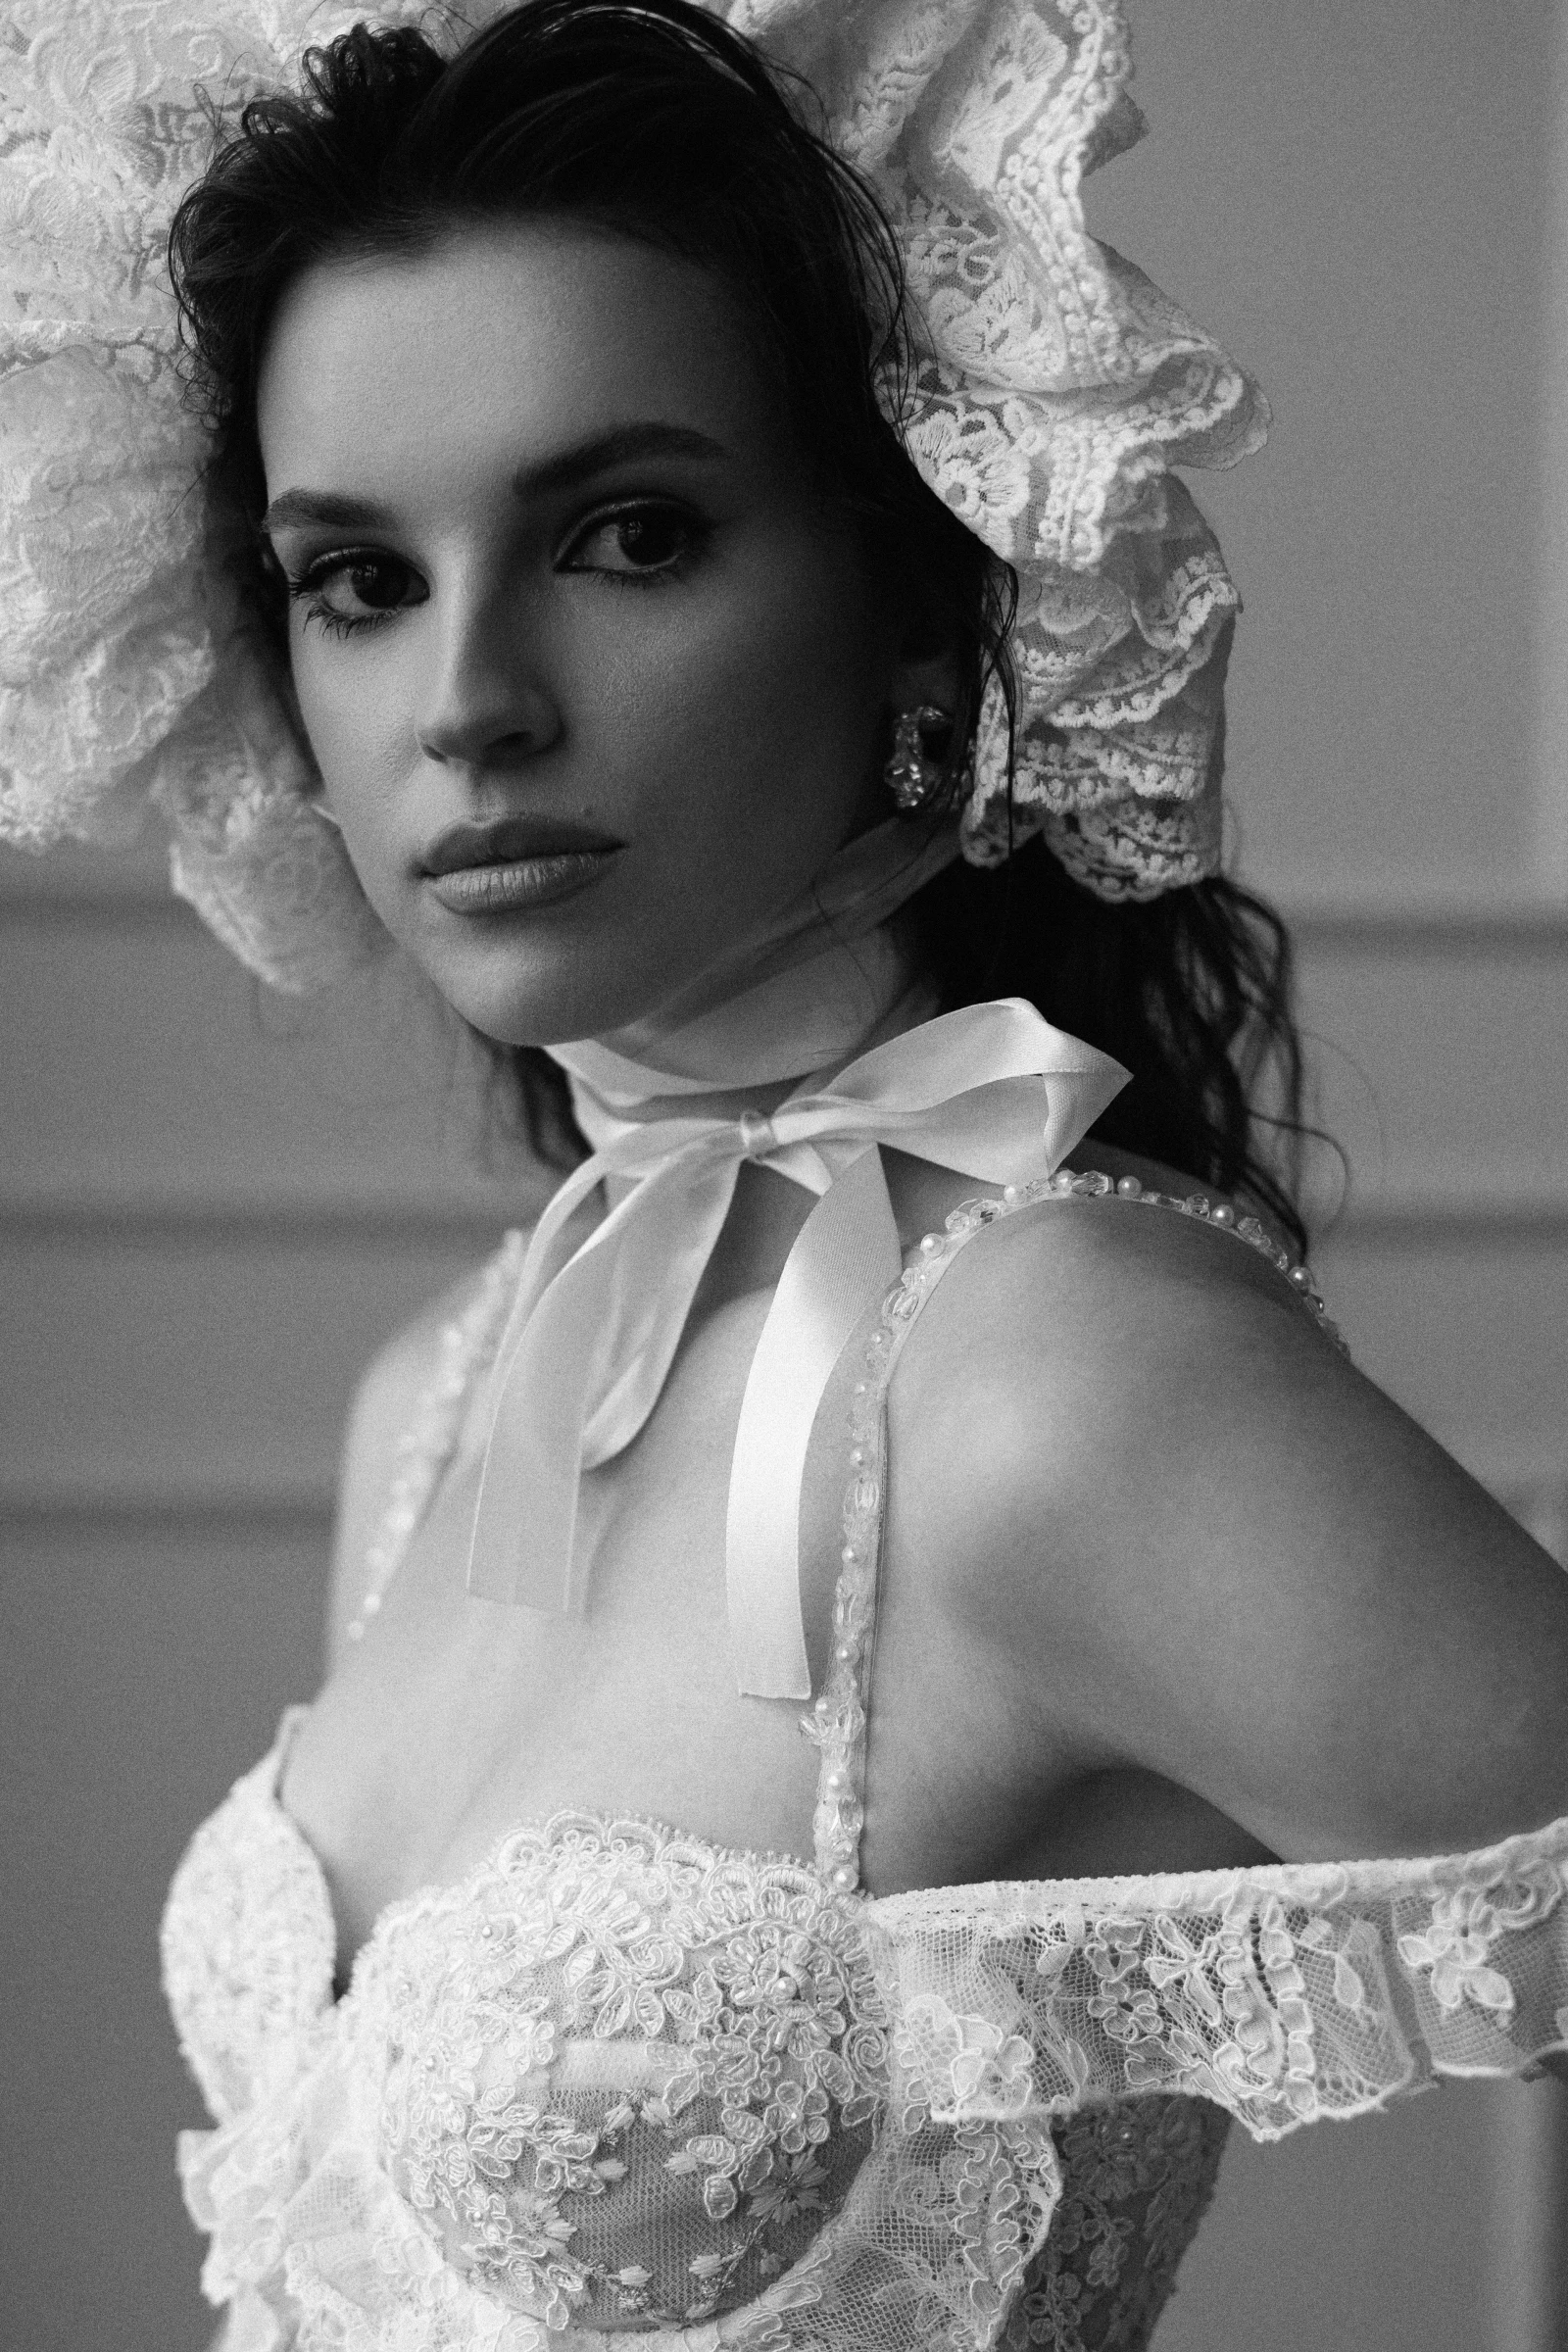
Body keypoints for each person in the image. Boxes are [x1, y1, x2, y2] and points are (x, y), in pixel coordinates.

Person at [6, 2, 1567, 2345]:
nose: (469, 700)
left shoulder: (1062, 1384)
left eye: (626, 535)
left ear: (918, 594)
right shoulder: (441, 1395)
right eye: (358, 578)